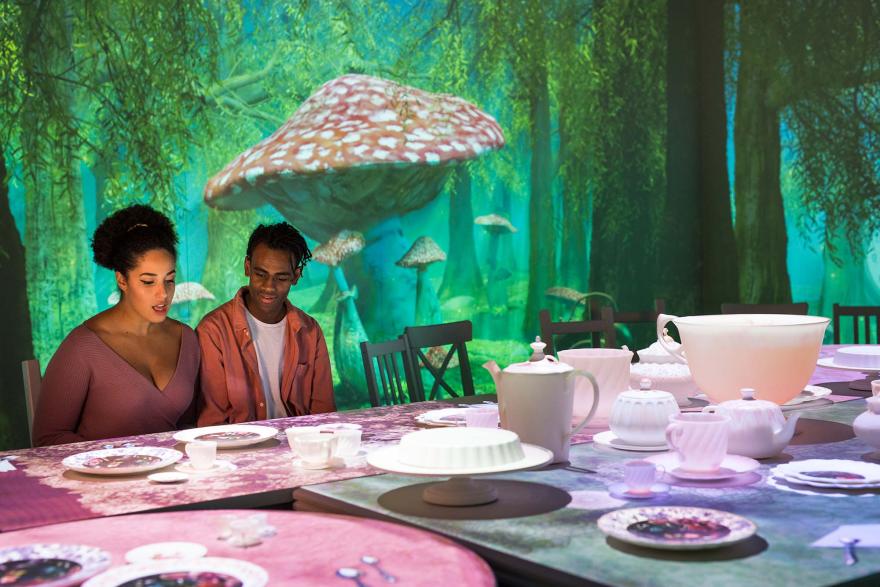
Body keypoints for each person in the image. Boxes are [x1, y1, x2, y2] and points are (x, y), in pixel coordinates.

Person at [32, 205, 200, 446]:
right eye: (148, 281)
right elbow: (48, 438)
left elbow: (188, 426)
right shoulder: (82, 347)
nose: (163, 294)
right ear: (122, 279)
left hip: (170, 477)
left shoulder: (187, 338)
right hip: (102, 478)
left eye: (169, 280)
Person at [196, 222, 335, 425]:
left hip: (301, 446)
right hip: (238, 449)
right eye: (260, 274)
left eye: (281, 278)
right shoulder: (213, 331)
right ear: (247, 267)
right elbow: (212, 422)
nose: (269, 287)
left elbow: (325, 415)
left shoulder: (310, 331)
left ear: (296, 276)